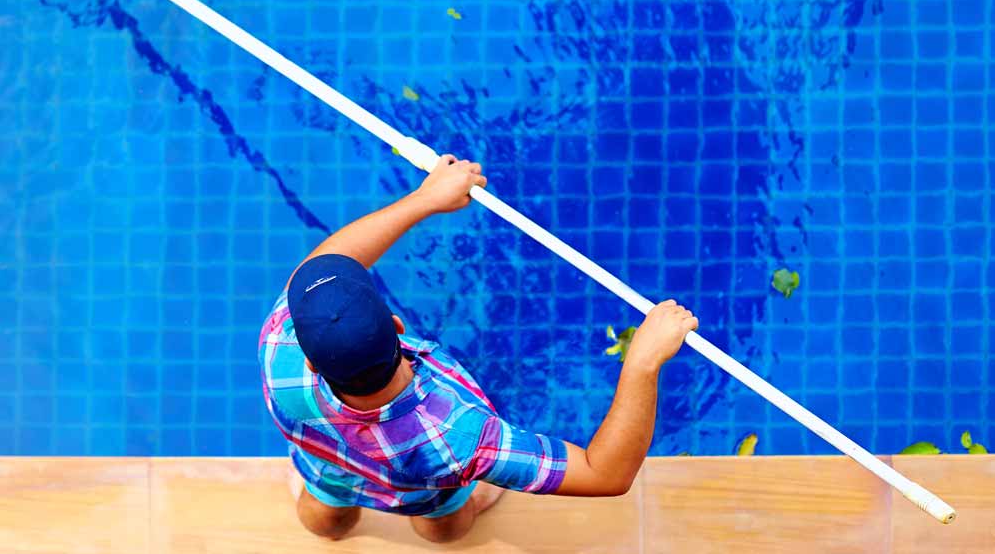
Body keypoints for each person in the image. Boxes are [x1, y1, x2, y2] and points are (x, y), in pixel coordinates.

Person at [258, 154, 700, 543]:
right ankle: (442, 528)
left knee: (324, 510)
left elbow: (322, 266)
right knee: (446, 519)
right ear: (396, 325)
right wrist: (642, 363)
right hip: (424, 489)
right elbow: (606, 474)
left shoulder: (281, 352)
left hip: (328, 463)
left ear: (314, 359)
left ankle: (329, 528)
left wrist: (424, 199)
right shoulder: (462, 438)